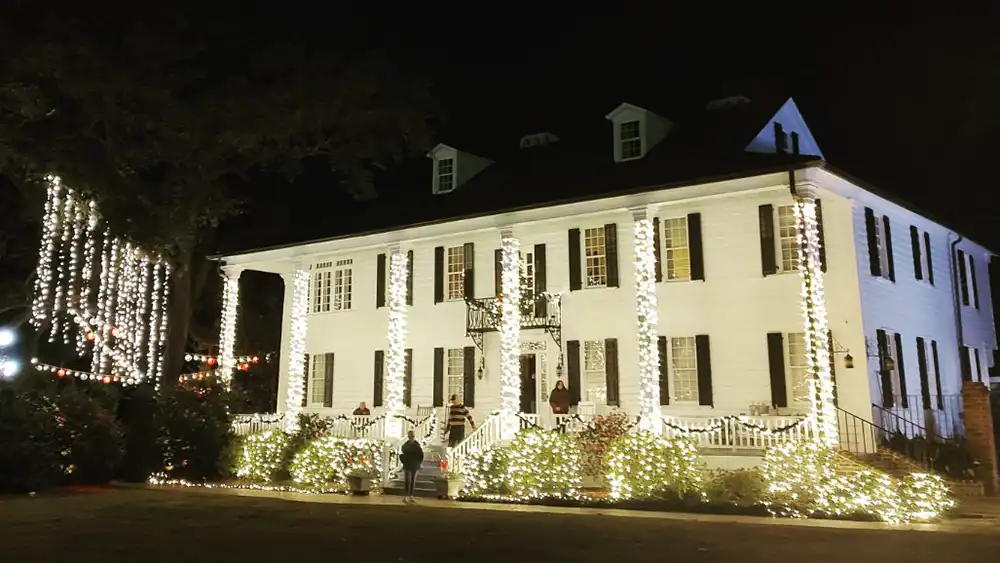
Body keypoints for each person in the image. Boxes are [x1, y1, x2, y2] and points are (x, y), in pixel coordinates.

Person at [399, 430, 424, 504]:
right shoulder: (405, 445)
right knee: (407, 481)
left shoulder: (417, 445)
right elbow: (402, 455)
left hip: (415, 465)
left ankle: (411, 496)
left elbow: (421, 456)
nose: (411, 437)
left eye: (412, 436)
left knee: (412, 482)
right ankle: (407, 496)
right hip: (407, 465)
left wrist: (419, 463)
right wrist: (404, 462)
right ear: (408, 436)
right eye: (410, 436)